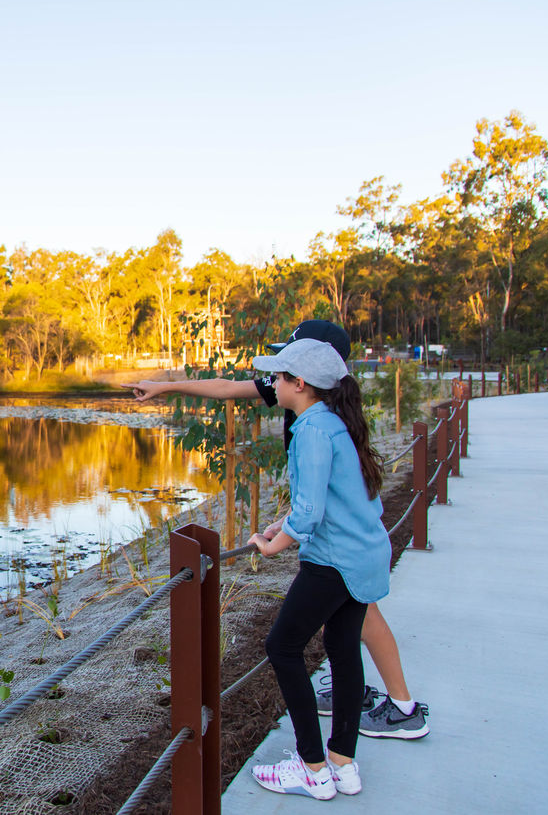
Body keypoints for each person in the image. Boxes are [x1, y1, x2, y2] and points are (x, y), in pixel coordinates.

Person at [123, 319, 429, 740]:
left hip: (342, 533)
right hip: (338, 525)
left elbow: (330, 492)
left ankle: (402, 706)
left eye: (288, 362)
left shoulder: (322, 416)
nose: (276, 378)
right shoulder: (317, 397)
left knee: (352, 618)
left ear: (309, 372)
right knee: (344, 622)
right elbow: (227, 387)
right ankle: (353, 697)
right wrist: (166, 386)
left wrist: (286, 533)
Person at [248, 337, 389, 797]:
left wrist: (272, 546)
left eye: (278, 377)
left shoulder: (309, 429)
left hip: (334, 560)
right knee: (343, 647)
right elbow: (328, 498)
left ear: (300, 384)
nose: (272, 384)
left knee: (283, 646)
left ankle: (311, 767)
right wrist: (280, 524)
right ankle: (342, 766)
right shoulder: (334, 422)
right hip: (364, 554)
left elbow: (308, 516)